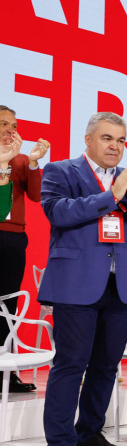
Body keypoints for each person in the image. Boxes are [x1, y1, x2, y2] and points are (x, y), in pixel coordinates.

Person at [39, 111, 127, 446]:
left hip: (123, 284)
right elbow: (58, 212)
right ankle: (59, 445)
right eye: (108, 138)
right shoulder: (61, 170)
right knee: (71, 365)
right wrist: (112, 194)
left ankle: (88, 434)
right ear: (88, 139)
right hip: (76, 283)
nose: (115, 146)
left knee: (106, 366)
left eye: (121, 140)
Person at [0, 105, 50, 393]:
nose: (11, 129)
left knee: (8, 305)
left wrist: (32, 163)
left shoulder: (20, 160)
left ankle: (6, 373)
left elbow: (35, 195)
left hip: (12, 239)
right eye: (4, 123)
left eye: (14, 125)